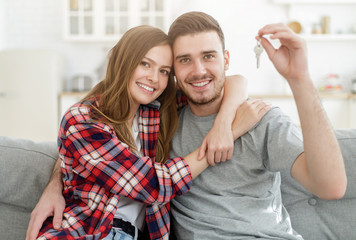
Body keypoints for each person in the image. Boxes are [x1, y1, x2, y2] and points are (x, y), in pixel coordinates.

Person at [29, 25, 268, 240]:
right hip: (83, 232)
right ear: (124, 62)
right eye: (145, 64)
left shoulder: (156, 110)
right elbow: (154, 184)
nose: (154, 78)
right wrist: (232, 133)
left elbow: (232, 81)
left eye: (164, 71)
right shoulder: (83, 119)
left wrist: (223, 125)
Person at [167, 12, 347, 240]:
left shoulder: (260, 118)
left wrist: (299, 78)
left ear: (226, 59)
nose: (199, 70)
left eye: (209, 56)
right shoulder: (164, 125)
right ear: (172, 69)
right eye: (185, 60)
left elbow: (331, 187)